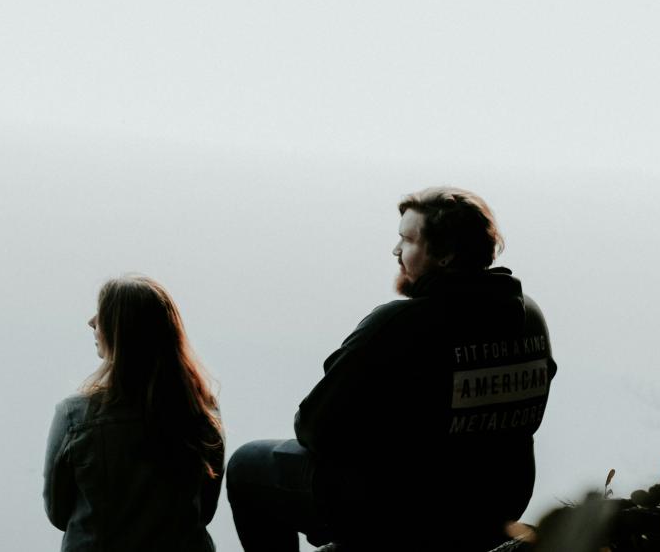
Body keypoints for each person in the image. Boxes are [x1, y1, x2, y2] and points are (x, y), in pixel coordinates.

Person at [226, 187, 556, 552]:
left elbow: (313, 426)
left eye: (407, 239)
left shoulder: (400, 324)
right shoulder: (529, 316)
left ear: (445, 254)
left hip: (411, 512)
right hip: (495, 505)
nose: (396, 251)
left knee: (247, 465)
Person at [43, 275, 225, 551]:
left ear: (121, 332)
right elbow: (205, 511)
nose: (91, 321)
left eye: (102, 314)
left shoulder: (75, 415)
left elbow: (57, 513)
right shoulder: (202, 410)